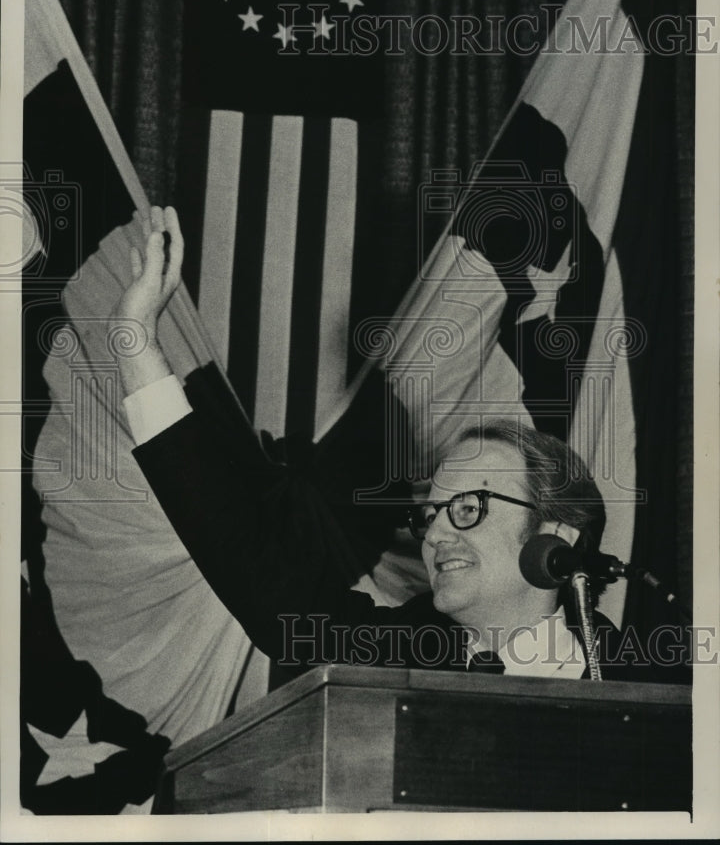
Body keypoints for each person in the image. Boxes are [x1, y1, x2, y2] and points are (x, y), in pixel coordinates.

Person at [111, 206, 638, 680]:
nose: (434, 537)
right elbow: (262, 584)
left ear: (556, 536)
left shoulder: (649, 681)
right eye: (430, 515)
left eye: (468, 508)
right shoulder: (400, 652)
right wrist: (136, 344)